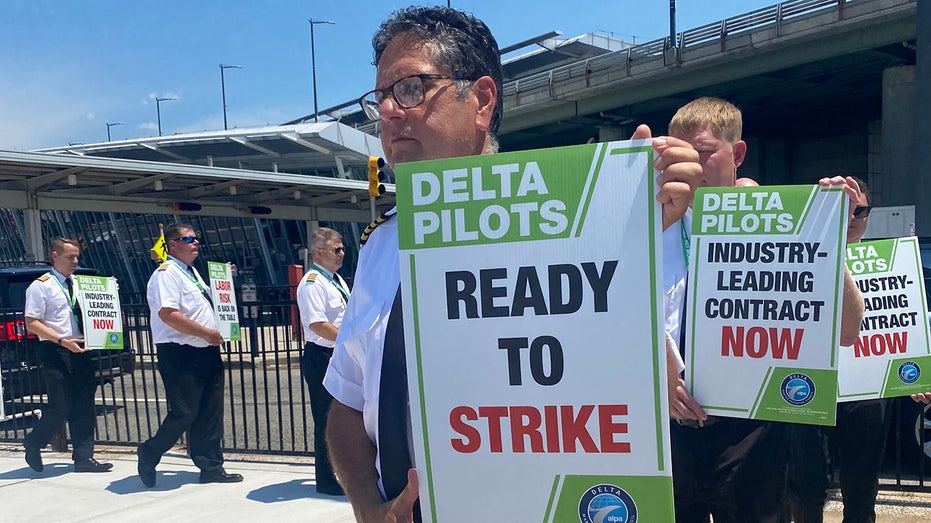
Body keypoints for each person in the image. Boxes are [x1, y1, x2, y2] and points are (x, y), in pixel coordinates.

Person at [323, 6, 702, 522]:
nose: (390, 111)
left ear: (480, 100)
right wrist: (368, 507)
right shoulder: (380, 247)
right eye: (382, 96)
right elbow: (347, 401)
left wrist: (628, 242)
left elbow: (646, 393)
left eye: (411, 87)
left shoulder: (579, 230)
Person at [664, 97, 864, 523]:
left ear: (736, 154)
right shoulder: (651, 227)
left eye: (702, 153)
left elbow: (847, 330)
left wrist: (829, 236)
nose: (690, 168)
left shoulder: (781, 222)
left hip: (750, 433)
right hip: (669, 433)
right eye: (678, 155)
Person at [785, 176, 888, 523]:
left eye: (860, 210)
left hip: (866, 390)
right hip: (809, 385)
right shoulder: (796, 256)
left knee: (862, 488)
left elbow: (903, 326)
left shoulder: (890, 260)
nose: (853, 217)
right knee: (806, 488)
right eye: (844, 210)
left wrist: (915, 374)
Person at [136, 223, 242, 487]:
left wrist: (224, 280)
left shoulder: (191, 273)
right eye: (189, 239)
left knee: (210, 410)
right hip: (179, 352)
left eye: (197, 238)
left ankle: (210, 466)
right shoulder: (166, 274)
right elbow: (168, 314)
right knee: (184, 412)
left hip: (206, 350)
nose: (196, 243)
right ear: (173, 244)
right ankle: (150, 451)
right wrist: (205, 333)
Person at [21, 237, 112, 474]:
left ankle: (84, 457)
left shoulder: (81, 284)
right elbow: (32, 323)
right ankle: (33, 442)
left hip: (82, 348)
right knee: (60, 405)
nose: (75, 261)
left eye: (77, 256)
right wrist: (62, 341)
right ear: (54, 256)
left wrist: (108, 293)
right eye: (70, 257)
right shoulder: (41, 286)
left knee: (84, 403)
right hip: (56, 349)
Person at [297, 227, 349, 496]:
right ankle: (326, 479)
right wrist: (347, 339)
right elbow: (317, 324)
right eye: (336, 249)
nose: (342, 254)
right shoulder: (313, 283)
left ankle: (342, 471)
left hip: (338, 354)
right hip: (322, 356)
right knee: (327, 420)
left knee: (345, 416)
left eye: (342, 249)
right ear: (319, 252)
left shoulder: (335, 280)